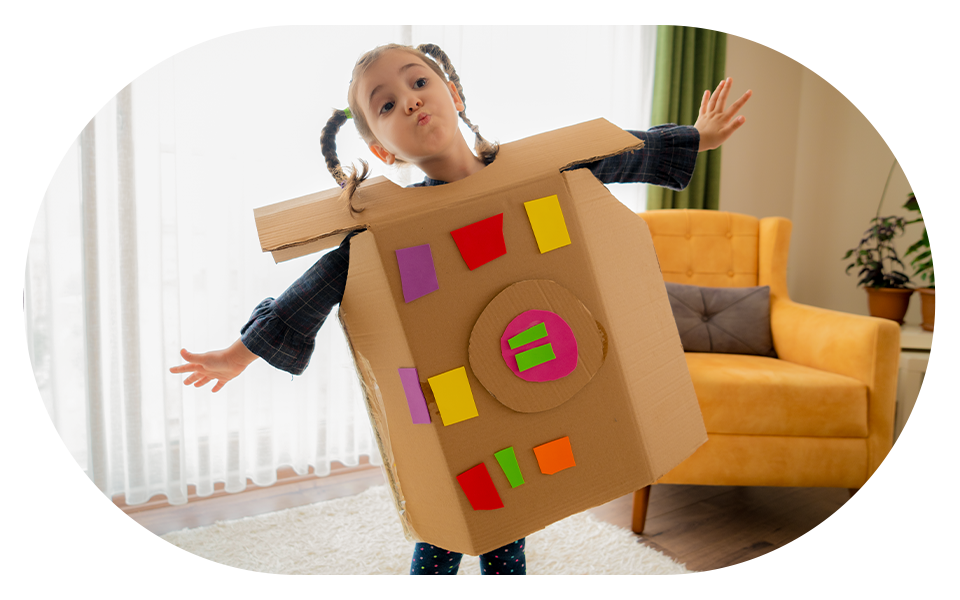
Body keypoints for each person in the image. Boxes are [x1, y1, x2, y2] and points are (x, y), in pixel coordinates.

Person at [170, 42, 752, 575]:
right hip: (454, 402)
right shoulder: (389, 230)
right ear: (381, 148)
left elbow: (613, 154)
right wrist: (240, 353)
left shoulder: (539, 172)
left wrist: (696, 137)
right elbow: (316, 286)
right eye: (387, 104)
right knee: (452, 517)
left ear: (453, 94)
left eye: (419, 82)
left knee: (508, 521)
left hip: (532, 385)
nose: (410, 100)